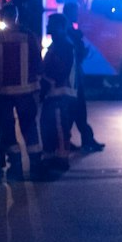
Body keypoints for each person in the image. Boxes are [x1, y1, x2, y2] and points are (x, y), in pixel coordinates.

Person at [0, 4, 44, 179]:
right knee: (29, 127)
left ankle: (15, 164)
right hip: (26, 92)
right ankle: (35, 162)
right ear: (16, 16)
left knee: (7, 128)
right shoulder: (28, 35)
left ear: (3, 17)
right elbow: (37, 62)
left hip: (2, 93)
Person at [60, 0, 104, 153]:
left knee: (76, 111)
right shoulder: (69, 32)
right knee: (78, 109)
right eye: (75, 12)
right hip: (73, 76)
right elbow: (72, 54)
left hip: (74, 75)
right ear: (70, 13)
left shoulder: (68, 30)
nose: (78, 15)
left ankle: (74, 140)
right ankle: (81, 140)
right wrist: (82, 53)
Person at [37, 14, 78, 178]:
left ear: (61, 26)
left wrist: (46, 84)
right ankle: (52, 157)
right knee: (50, 126)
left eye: (51, 24)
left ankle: (61, 160)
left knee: (59, 127)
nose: (48, 26)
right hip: (55, 93)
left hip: (60, 93)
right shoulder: (58, 44)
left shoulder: (63, 45)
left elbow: (60, 71)